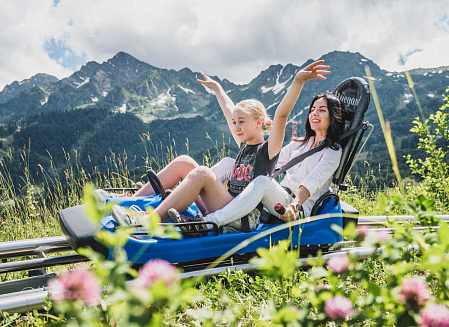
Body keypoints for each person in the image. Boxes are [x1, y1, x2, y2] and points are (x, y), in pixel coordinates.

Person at [110, 60, 331, 227]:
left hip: (242, 217)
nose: (235, 127)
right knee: (185, 162)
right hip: (226, 203)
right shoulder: (244, 144)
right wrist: (217, 89)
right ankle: (132, 201)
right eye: (234, 123)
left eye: (241, 122)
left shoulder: (268, 150)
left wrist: (298, 81)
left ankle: (146, 222)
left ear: (259, 123)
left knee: (203, 174)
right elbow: (228, 112)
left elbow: (282, 115)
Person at [171, 92, 344, 231]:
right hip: (277, 198)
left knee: (262, 182)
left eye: (322, 110)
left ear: (333, 116)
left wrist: (296, 205)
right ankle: (184, 197)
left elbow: (311, 182)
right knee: (229, 163)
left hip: (296, 209)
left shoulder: (333, 151)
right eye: (313, 109)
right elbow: (270, 161)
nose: (314, 113)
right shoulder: (300, 143)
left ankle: (210, 222)